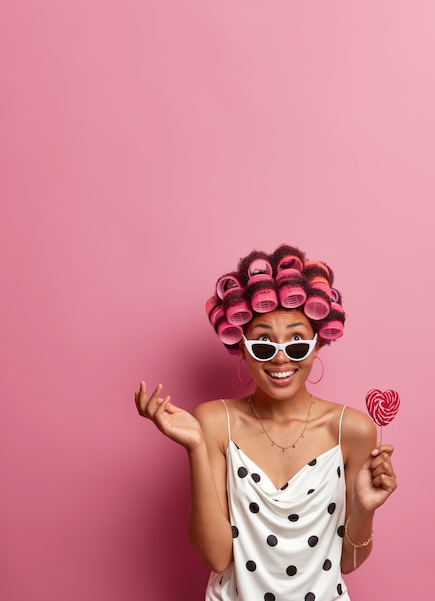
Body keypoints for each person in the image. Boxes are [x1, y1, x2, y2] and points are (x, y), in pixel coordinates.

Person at [135, 245, 397, 601]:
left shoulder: (351, 430)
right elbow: (216, 556)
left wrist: (364, 508)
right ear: (241, 348)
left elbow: (347, 563)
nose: (279, 357)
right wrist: (195, 446)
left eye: (297, 343)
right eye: (262, 344)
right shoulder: (214, 422)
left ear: (318, 344)